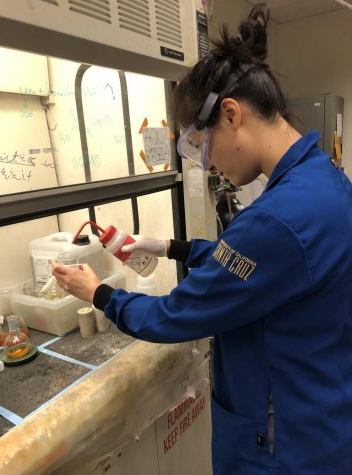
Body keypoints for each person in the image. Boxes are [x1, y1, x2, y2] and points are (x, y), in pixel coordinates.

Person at [52, 4, 352, 474]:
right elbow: (263, 269)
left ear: (231, 115)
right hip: (321, 419)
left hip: (280, 447)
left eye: (200, 143)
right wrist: (163, 246)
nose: (207, 163)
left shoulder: (278, 220)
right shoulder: (323, 184)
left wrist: (100, 293)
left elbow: (177, 315)